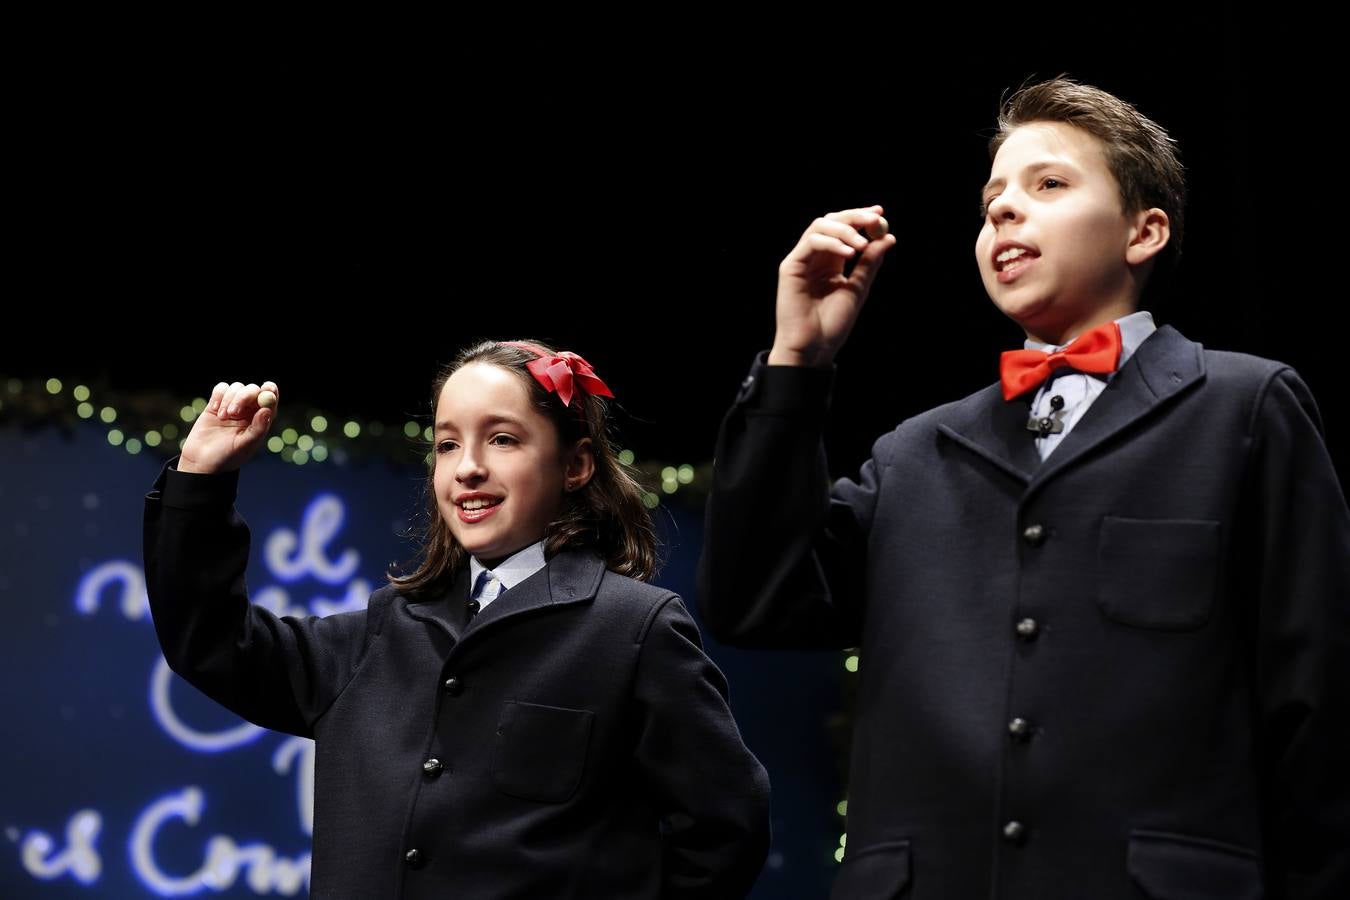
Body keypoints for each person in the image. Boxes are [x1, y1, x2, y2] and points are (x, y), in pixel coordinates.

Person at [697, 77, 1349, 898]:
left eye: (1048, 184)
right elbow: (753, 601)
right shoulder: (915, 453)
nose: (1004, 208)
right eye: (991, 200)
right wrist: (798, 362)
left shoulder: (1243, 409)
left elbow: (1315, 705)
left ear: (1145, 231)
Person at [144, 339, 771, 899]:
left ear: (575, 465)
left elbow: (726, 829)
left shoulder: (634, 628)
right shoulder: (382, 630)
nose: (468, 466)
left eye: (502, 439)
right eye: (447, 444)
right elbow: (213, 642)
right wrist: (199, 480)